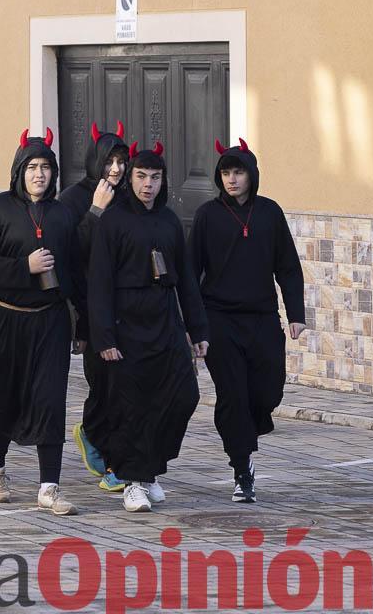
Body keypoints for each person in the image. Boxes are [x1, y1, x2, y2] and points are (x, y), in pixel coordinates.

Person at [0, 128, 87, 516]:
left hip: (50, 322)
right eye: (32, 167)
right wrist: (24, 266)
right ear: (19, 171)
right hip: (5, 320)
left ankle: (49, 486)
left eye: (46, 167)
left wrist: (81, 324)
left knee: (50, 401)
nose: (39, 174)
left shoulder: (63, 214)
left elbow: (78, 270)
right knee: (2, 395)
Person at [88, 141, 209, 513]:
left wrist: (198, 329)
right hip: (126, 322)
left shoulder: (169, 220)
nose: (148, 185)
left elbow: (186, 278)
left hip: (165, 317)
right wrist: (103, 335)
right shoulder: (113, 220)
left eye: (155, 178)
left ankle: (151, 469)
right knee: (133, 405)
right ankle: (131, 480)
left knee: (184, 394)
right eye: (141, 176)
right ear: (131, 178)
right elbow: (99, 280)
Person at [191, 137, 305, 503]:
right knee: (233, 395)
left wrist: (296, 315)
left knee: (269, 389)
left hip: (262, 318)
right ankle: (242, 468)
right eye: (225, 172)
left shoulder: (270, 213)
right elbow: (192, 272)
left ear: (251, 175)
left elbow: (288, 267)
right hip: (219, 319)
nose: (232, 179)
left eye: (238, 172)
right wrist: (191, 325)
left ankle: (246, 431)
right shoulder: (208, 215)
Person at [57, 121, 129, 493]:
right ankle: (96, 438)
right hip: (91, 312)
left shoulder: (129, 195)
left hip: (129, 310)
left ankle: (114, 453)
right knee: (103, 384)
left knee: (125, 387)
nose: (116, 169)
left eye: (121, 161)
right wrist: (96, 211)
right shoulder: (72, 199)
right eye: (109, 161)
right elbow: (71, 256)